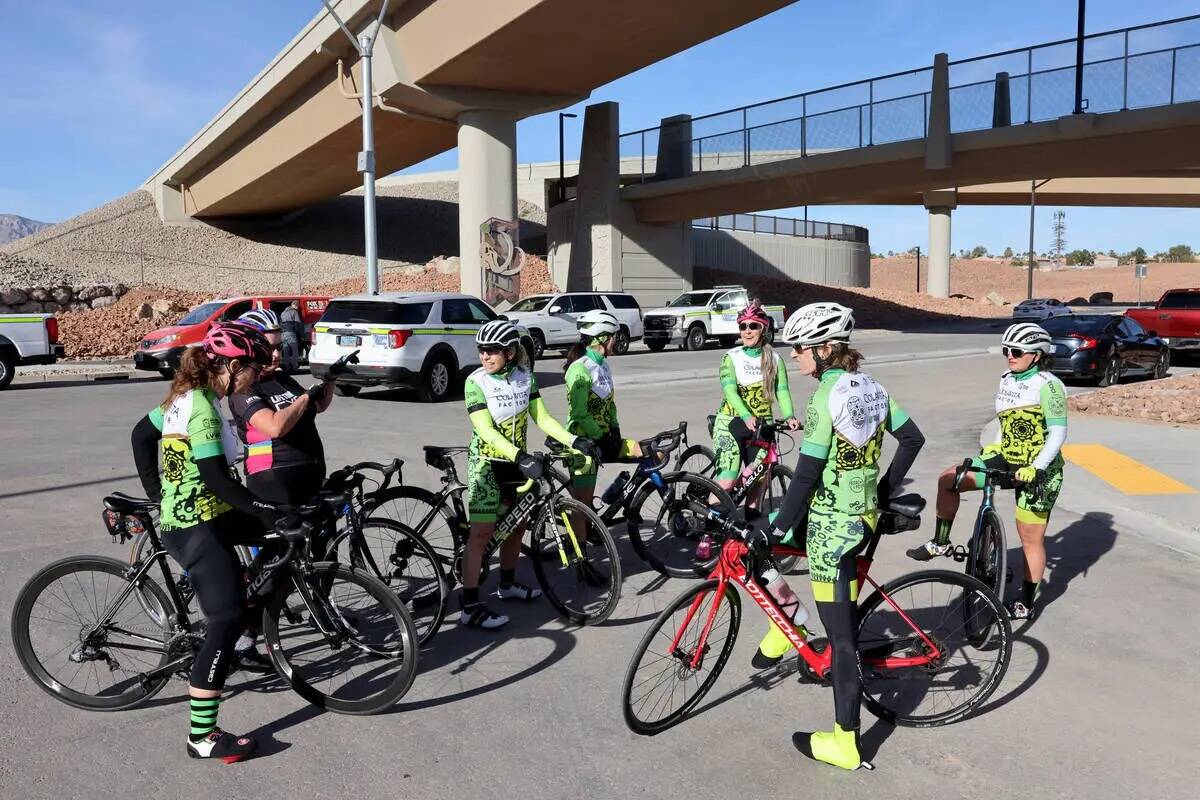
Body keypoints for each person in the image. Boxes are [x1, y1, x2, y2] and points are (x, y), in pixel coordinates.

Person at [766, 302, 925, 771]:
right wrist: (883, 489)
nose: (794, 357)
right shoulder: (872, 387)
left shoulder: (824, 399)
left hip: (833, 529)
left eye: (800, 348)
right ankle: (783, 635)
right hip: (863, 518)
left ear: (826, 348)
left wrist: (777, 527)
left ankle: (845, 743)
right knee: (841, 620)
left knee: (841, 642)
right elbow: (913, 439)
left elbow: (806, 477)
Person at [129, 323, 284, 763]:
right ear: (234, 367)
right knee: (225, 618)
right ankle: (202, 736)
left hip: (210, 512)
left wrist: (158, 491)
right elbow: (217, 478)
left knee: (283, 535)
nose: (258, 374)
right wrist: (263, 508)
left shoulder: (192, 398)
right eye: (253, 367)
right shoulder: (199, 407)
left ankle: (247, 603)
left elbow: (142, 435)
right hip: (194, 525)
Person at [907, 322, 1066, 621]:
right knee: (949, 479)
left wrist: (1036, 467)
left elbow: (1057, 434)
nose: (1009, 355)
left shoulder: (1049, 385)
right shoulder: (1007, 379)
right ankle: (941, 542)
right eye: (1007, 350)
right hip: (1005, 456)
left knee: (1030, 538)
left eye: (1016, 351)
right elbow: (1003, 424)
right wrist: (992, 448)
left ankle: (1025, 604)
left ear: (1036, 355)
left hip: (1039, 469)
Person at [460, 320, 593, 629]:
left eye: (491, 351)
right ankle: (469, 604)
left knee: (518, 525)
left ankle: (506, 585)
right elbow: (485, 430)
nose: (484, 356)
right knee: (481, 532)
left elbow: (542, 418)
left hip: (517, 464)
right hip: (488, 464)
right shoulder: (475, 382)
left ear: (509, 352)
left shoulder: (526, 379)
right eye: (481, 350)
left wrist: (575, 441)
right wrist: (520, 456)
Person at [228, 308, 334, 507]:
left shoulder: (282, 378)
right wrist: (304, 398)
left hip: (310, 470)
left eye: (279, 346)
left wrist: (331, 378)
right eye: (269, 348)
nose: (276, 355)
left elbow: (318, 406)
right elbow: (275, 427)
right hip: (273, 478)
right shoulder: (243, 388)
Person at [711, 301, 799, 511]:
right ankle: (709, 528)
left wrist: (789, 416)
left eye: (753, 326)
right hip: (731, 423)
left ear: (764, 329)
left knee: (759, 480)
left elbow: (782, 391)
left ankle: (751, 522)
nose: (747, 331)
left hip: (762, 426)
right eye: (743, 326)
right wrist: (745, 415)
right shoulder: (731, 357)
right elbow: (729, 391)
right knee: (727, 482)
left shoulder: (775, 359)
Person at [562, 309, 641, 508]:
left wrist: (614, 429)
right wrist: (600, 436)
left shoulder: (603, 365)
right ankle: (579, 537)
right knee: (583, 505)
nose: (616, 341)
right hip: (583, 443)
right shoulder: (579, 369)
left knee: (648, 451)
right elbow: (579, 413)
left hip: (602, 438)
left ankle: (615, 503)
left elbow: (609, 403)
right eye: (613, 337)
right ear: (602, 338)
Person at [280, 301, 304, 373]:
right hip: (291, 333)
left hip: (283, 334)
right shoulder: (294, 312)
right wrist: (300, 334)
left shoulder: (283, 313)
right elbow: (297, 324)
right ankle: (294, 367)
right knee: (295, 351)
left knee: (286, 351)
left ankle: (287, 367)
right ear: (296, 306)